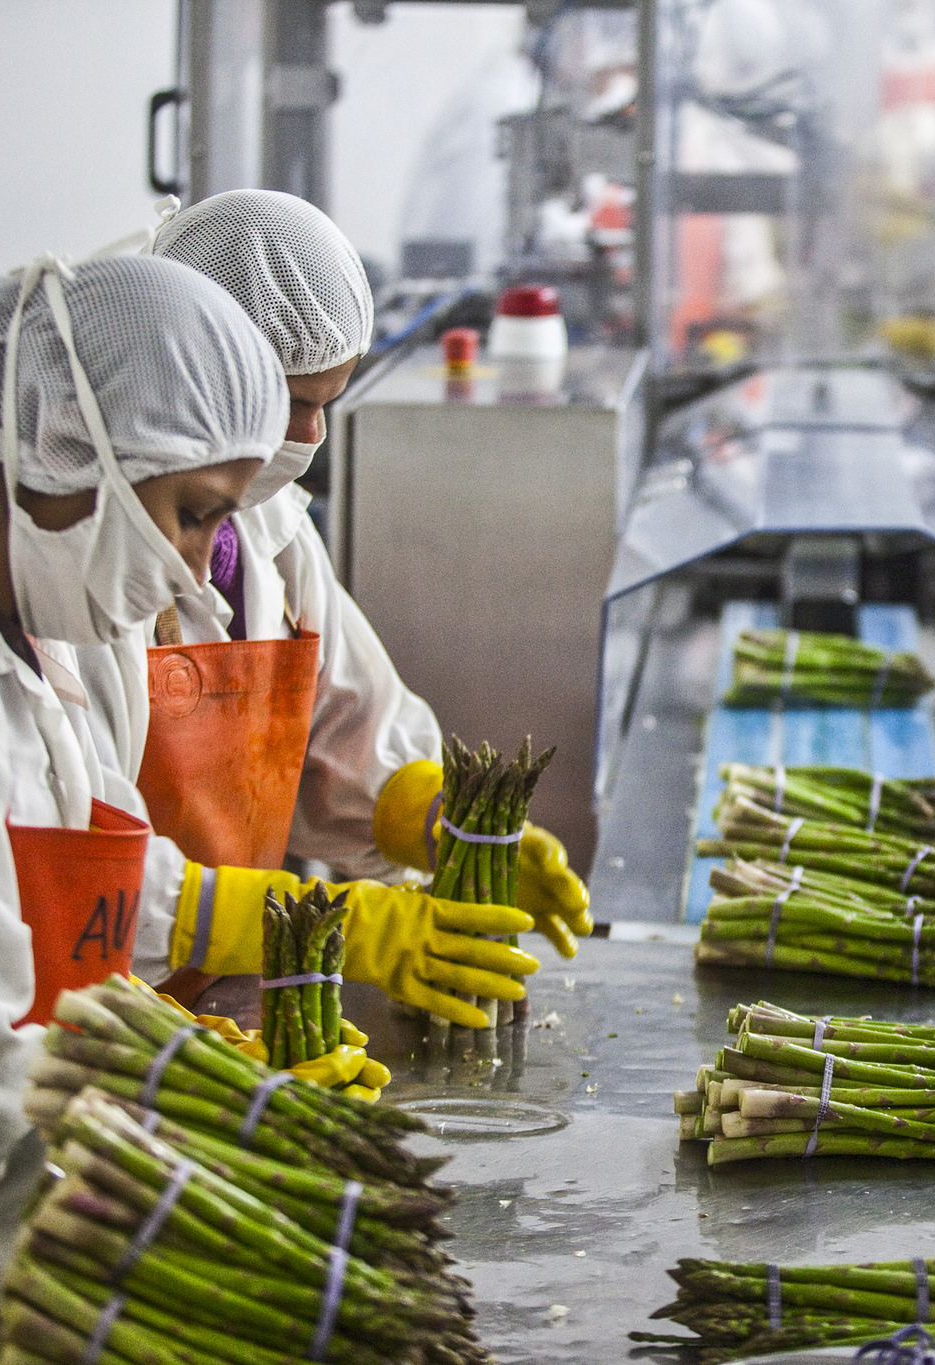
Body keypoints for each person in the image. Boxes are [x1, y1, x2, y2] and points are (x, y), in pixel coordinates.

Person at [0, 254, 286, 1341]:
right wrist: (183, 1260)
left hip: (24, 1236)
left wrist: (246, 926)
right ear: (67, 450)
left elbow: (78, 866)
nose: (190, 569)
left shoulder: (38, 623)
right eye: (188, 513)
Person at [78, 190, 589, 1004]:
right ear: (201, 384)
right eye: (293, 403)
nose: (311, 439)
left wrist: (440, 821)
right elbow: (72, 861)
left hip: (211, 995)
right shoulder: (83, 569)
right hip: (98, 1009)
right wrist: (362, 925)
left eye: (329, 403)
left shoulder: (270, 530)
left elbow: (338, 727)